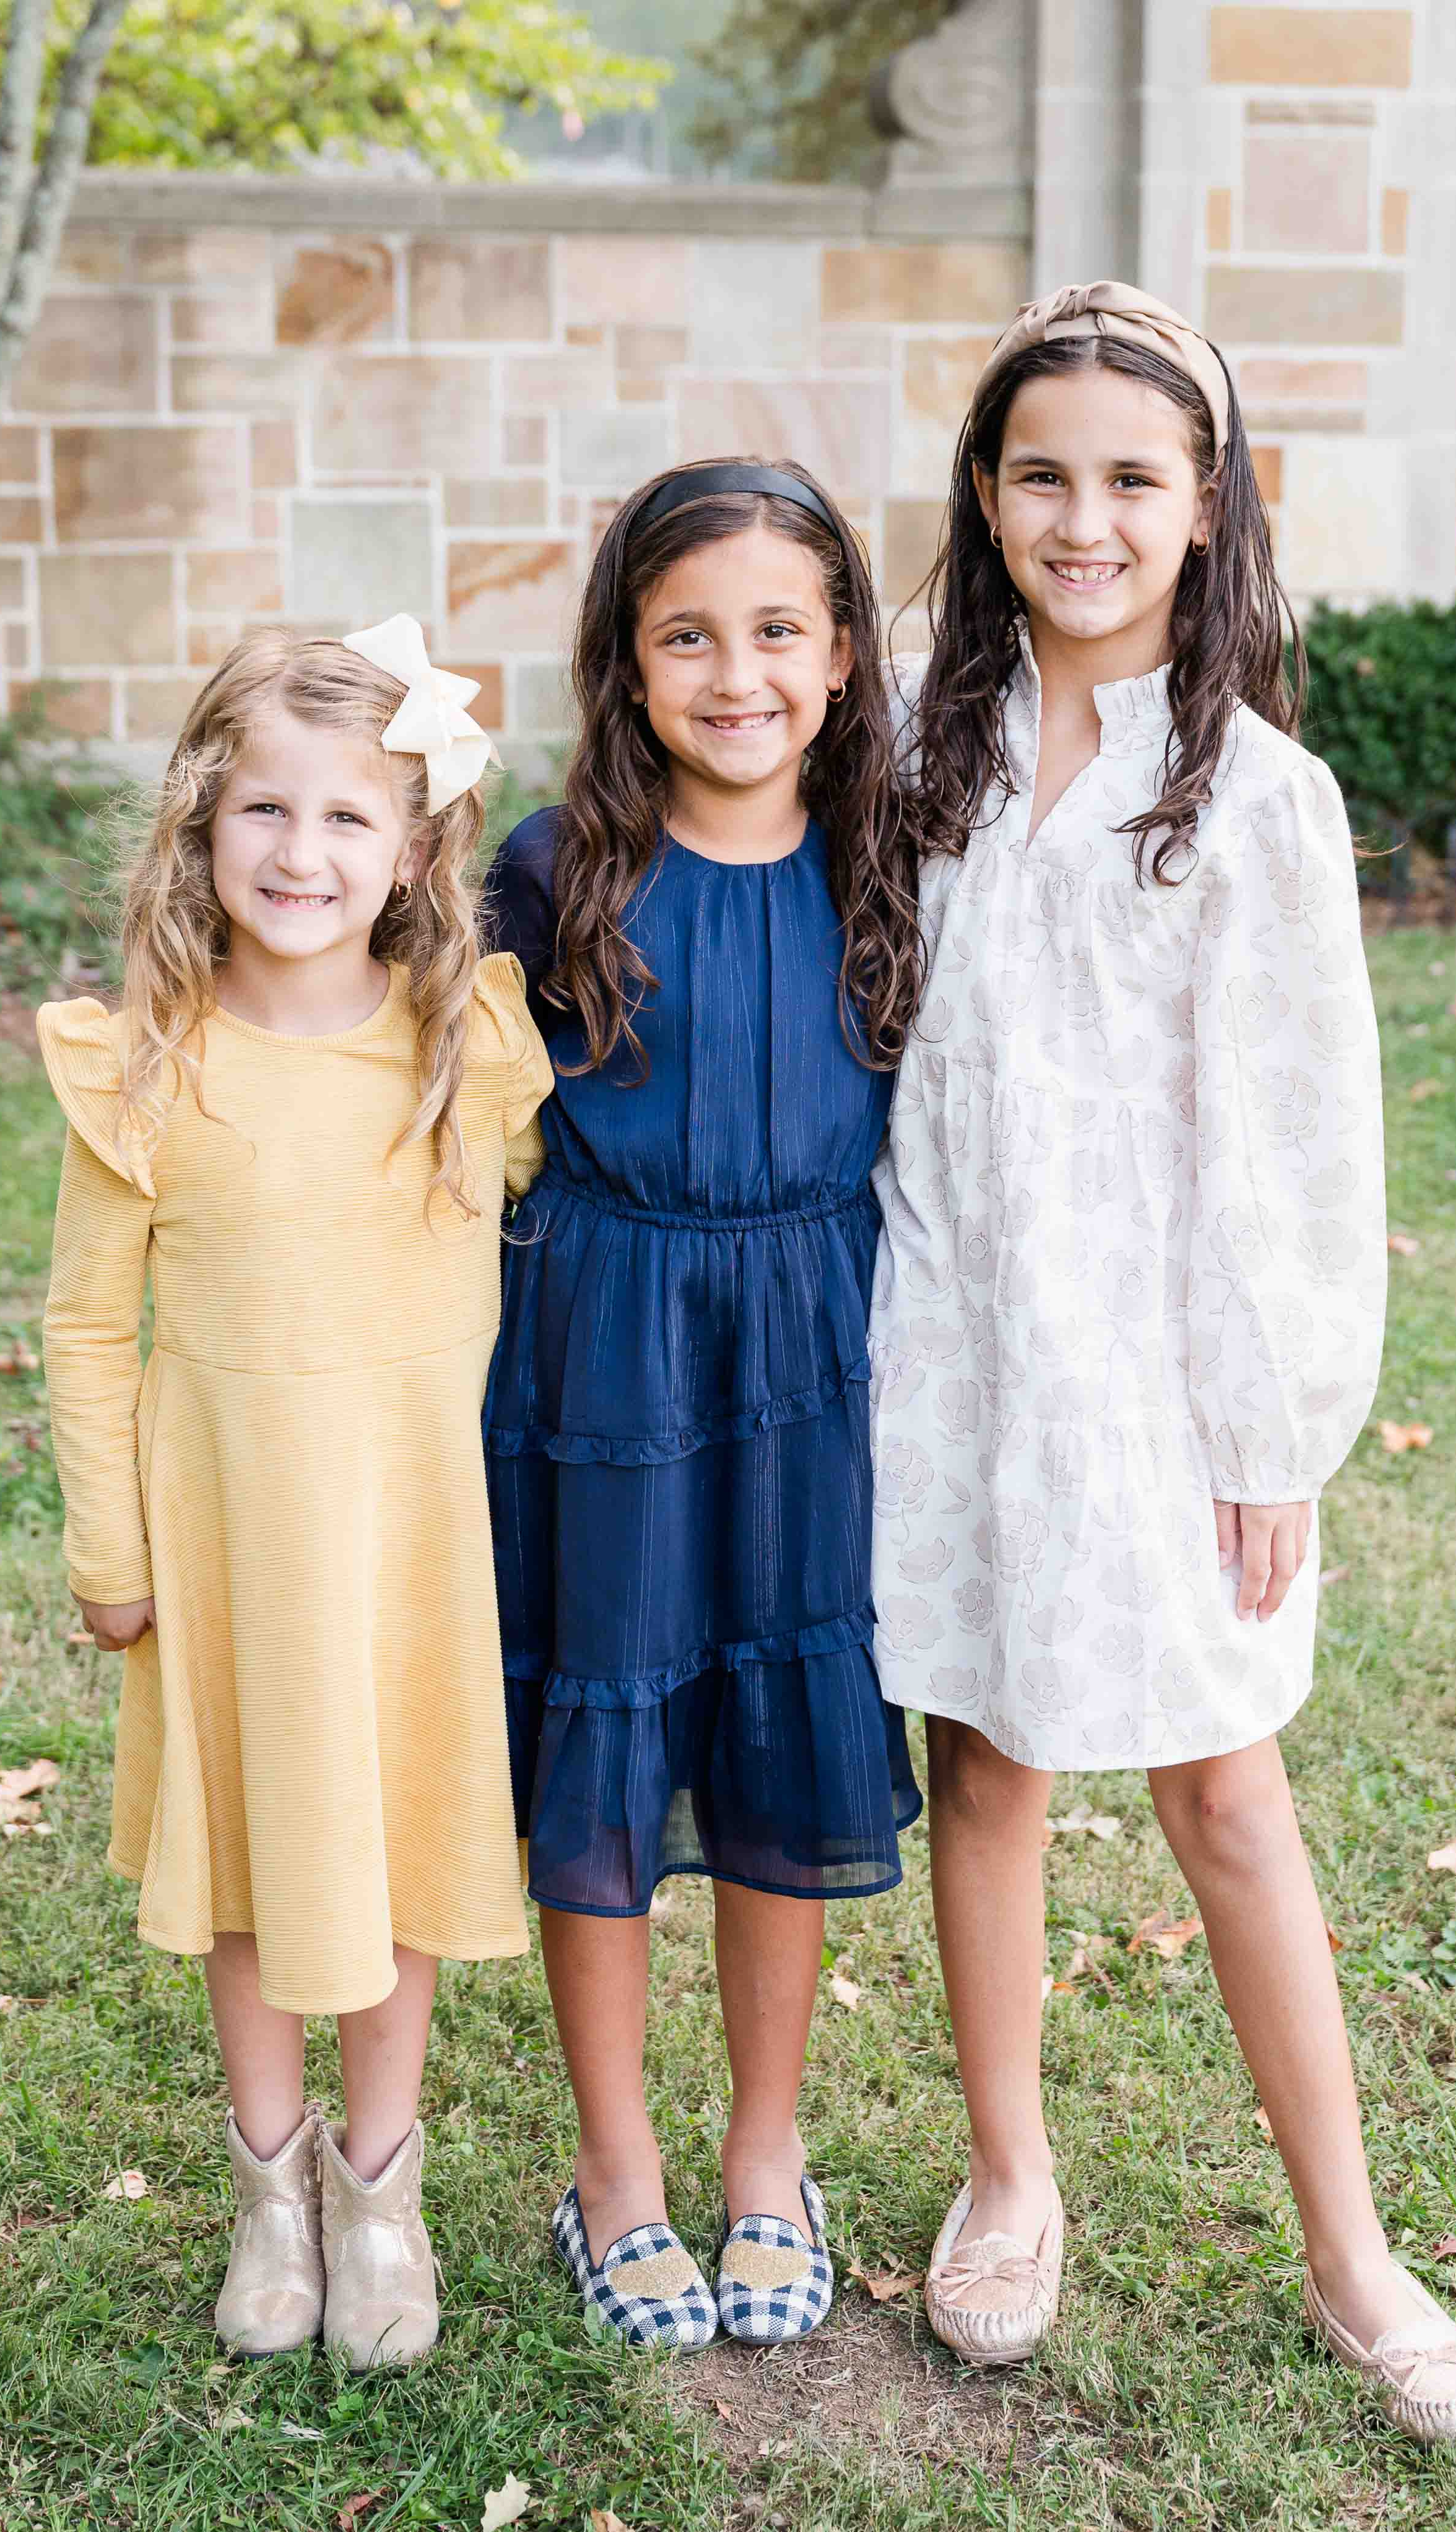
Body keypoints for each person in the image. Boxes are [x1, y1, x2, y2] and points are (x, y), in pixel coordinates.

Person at [870, 283, 1456, 2443]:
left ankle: (1352, 2253)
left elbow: (1301, 1132)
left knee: (1224, 1785)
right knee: (988, 1762)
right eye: (1039, 473)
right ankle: (1009, 2173)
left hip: (1155, 1364)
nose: (1081, 516)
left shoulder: (1251, 794)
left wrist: (1270, 1414)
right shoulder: (915, 748)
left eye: (1131, 478)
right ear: (982, 494)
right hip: (952, 1333)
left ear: (1206, 504)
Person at [37, 620, 552, 2370]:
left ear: (414, 848)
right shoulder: (146, 1063)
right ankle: (269, 2195)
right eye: (262, 809)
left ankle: (379, 2194)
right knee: (257, 1864)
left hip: (410, 1543)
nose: (300, 854)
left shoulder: (460, 1046)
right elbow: (87, 1321)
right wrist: (112, 1551)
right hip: (234, 1539)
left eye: (347, 820)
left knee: (394, 1853)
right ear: (200, 826)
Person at [484, 458, 926, 2350]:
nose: (733, 671)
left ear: (838, 653)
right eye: (686, 634)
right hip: (602, 1353)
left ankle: (764, 2155)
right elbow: (463, 1124)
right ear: (625, 661)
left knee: (771, 1729)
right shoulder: (546, 866)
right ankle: (616, 2174)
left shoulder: (895, 856)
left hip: (811, 1357)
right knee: (609, 1737)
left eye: (773, 629)